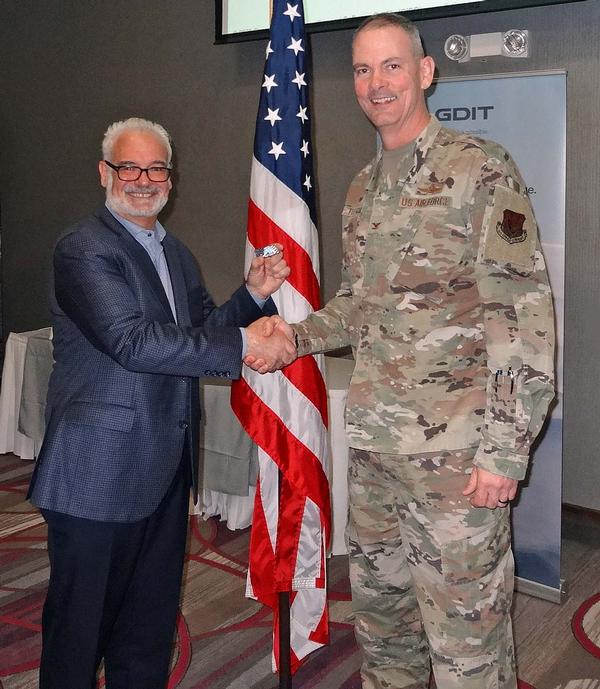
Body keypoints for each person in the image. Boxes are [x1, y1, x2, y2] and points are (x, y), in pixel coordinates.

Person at [260, 13, 555, 689]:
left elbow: (523, 315)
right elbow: (360, 306)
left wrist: (506, 452)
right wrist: (295, 337)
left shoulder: (478, 168)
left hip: (456, 467)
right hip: (376, 460)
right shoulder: (364, 190)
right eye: (362, 70)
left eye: (392, 66)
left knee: (467, 651)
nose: (376, 83)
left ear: (425, 72)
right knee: (386, 638)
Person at [27, 116, 295, 689]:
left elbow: (197, 336)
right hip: (95, 478)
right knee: (79, 634)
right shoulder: (83, 249)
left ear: (170, 179)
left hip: (164, 472)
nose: (144, 180)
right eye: (130, 167)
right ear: (105, 172)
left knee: (147, 635)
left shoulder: (174, 253)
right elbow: (133, 342)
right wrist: (248, 341)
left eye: (156, 169)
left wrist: (251, 297)